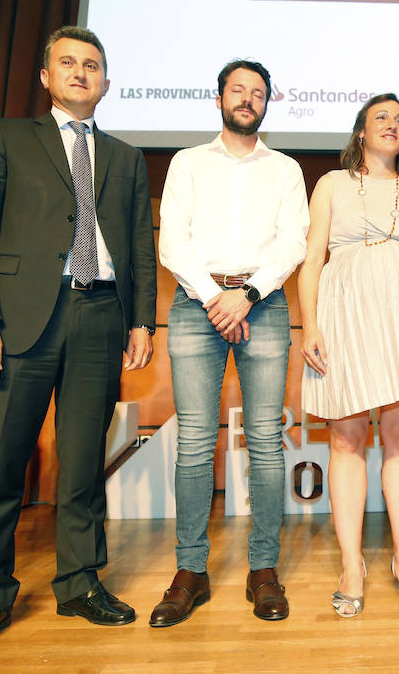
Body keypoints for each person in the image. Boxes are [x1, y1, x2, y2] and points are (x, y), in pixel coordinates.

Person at [0, 26, 157, 660]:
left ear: (108, 82)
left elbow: (139, 245)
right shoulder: (5, 137)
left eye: (92, 65)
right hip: (21, 318)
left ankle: (80, 582)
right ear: (46, 76)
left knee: (84, 461)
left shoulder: (125, 157)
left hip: (100, 316)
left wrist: (141, 320)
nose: (81, 73)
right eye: (68, 63)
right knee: (1, 464)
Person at [150, 59, 309, 626]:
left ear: (268, 102)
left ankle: (263, 570)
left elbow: (294, 240)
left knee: (266, 439)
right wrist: (216, 299)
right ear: (219, 97)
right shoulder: (188, 163)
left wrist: (249, 294)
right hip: (196, 307)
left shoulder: (286, 169)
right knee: (195, 441)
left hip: (263, 307)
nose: (247, 99)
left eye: (257, 92)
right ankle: (190, 570)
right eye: (237, 90)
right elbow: (173, 240)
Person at [298, 94, 399, 618]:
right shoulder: (332, 184)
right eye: (382, 117)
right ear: (360, 132)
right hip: (343, 317)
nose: (393, 125)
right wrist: (310, 324)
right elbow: (312, 257)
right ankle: (350, 564)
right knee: (346, 441)